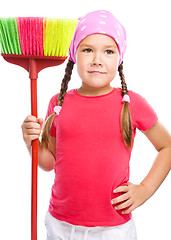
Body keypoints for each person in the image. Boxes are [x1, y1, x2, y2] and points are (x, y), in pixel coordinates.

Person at [21, 10, 171, 240]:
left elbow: (167, 147)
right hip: (60, 224)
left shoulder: (131, 104)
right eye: (88, 49)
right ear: (74, 55)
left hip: (113, 229)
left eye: (108, 51)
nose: (97, 59)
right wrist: (30, 140)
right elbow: (48, 162)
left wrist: (145, 189)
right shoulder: (58, 103)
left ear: (119, 58)